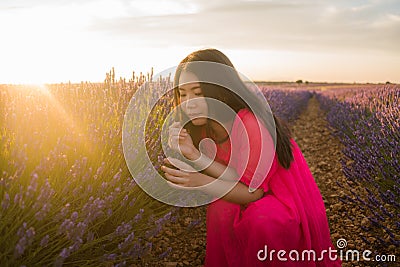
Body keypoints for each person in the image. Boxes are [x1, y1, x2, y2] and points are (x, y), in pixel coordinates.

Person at [161, 48, 341, 266]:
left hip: (281, 197)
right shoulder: (206, 126)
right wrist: (194, 154)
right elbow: (235, 175)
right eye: (183, 94)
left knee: (261, 220)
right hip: (249, 187)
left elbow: (254, 192)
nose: (189, 102)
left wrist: (202, 182)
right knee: (221, 207)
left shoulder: (250, 124)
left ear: (220, 90)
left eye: (198, 93)